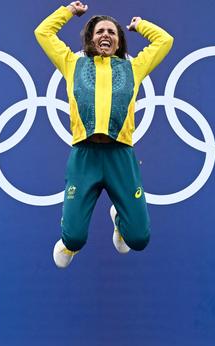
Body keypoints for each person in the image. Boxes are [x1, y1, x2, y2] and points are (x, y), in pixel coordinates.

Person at [35, 1, 173, 268]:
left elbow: (165, 40)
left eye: (112, 32)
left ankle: (120, 220)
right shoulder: (72, 63)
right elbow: (43, 33)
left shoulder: (134, 67)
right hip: (85, 156)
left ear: (120, 40)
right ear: (90, 38)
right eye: (99, 32)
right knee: (73, 240)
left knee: (139, 240)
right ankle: (70, 243)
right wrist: (68, 12)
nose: (106, 35)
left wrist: (140, 25)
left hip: (120, 156)